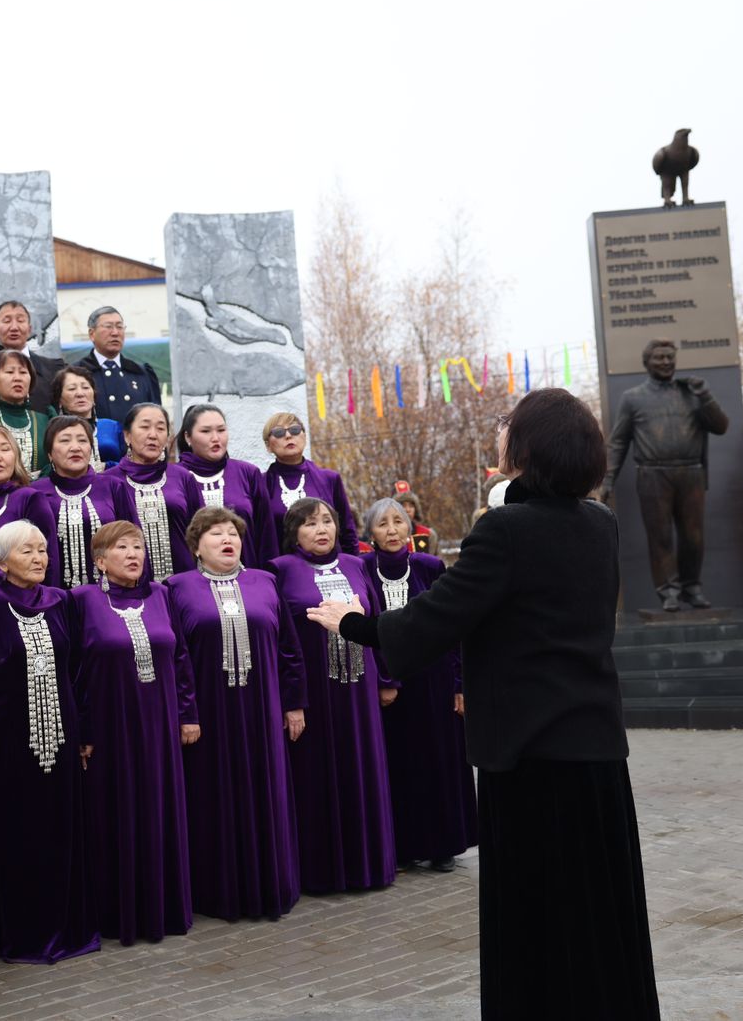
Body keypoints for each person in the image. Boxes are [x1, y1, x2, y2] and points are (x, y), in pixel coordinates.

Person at [310, 388, 659, 1017]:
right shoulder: (598, 522)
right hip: (595, 749)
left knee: (537, 916)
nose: (499, 435)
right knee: (599, 911)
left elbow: (434, 621)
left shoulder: (505, 530)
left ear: (529, 447)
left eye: (509, 427)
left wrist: (353, 622)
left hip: (527, 756)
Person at [165, 507, 306, 921]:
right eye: (215, 535)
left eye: (233, 534)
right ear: (196, 546)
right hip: (209, 715)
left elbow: (290, 650)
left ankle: (272, 885)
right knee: (214, 794)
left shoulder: (264, 581)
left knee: (267, 790)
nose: (227, 540)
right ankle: (218, 892)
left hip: (263, 710)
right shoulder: (177, 588)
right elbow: (178, 658)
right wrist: (185, 712)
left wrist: (294, 703)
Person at [0, 521, 101, 963]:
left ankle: (68, 927)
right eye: (27, 551)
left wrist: (83, 732)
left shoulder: (62, 601)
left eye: (43, 550)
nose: (39, 558)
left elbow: (78, 671)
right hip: (11, 745)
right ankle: (24, 934)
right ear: (3, 561)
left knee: (62, 826)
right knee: (19, 834)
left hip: (62, 740)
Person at [68, 521, 195, 944]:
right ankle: (119, 914)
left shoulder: (162, 595)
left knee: (161, 808)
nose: (133, 554)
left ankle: (166, 909)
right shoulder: (82, 600)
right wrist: (83, 729)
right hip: (110, 726)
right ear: (100, 561)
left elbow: (180, 660)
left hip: (159, 725)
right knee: (116, 811)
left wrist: (187, 714)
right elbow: (76, 673)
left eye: (138, 546)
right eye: (121, 548)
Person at [270, 499, 396, 893]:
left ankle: (370, 866)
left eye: (327, 521)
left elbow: (379, 625)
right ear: (295, 532)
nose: (321, 529)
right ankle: (323, 873)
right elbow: (283, 643)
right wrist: (293, 699)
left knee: (364, 768)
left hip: (359, 691)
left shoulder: (357, 565)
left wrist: (386, 678)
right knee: (317, 774)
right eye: (310, 524)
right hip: (316, 692)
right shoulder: (280, 570)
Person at [359, 497, 477, 873]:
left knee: (438, 761)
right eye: (382, 524)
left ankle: (443, 845)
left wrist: (460, 685)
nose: (392, 530)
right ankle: (405, 845)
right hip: (389, 685)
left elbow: (452, 626)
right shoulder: (362, 569)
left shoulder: (429, 566)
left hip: (435, 680)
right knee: (399, 763)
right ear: (370, 534)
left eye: (398, 522)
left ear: (410, 528)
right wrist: (382, 679)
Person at [602, 337, 731, 611]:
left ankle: (692, 587)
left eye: (670, 357)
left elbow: (720, 427)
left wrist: (705, 396)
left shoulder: (692, 393)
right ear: (646, 362)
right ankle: (668, 591)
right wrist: (608, 479)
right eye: (659, 358)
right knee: (660, 536)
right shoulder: (633, 398)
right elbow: (618, 441)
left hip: (691, 472)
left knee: (693, 536)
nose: (665, 362)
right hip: (652, 474)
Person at [30, 416, 136, 588]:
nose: (75, 447)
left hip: (110, 595)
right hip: (54, 596)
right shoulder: (35, 493)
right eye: (65, 441)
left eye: (82, 440)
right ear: (49, 453)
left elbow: (133, 539)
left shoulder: (113, 486)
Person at [177, 403, 278, 568]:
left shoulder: (248, 473)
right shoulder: (175, 477)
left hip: (248, 578)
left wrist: (268, 579)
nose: (215, 438)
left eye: (221, 430)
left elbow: (266, 535)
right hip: (194, 582)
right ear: (188, 437)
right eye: (205, 431)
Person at [107, 402, 192, 579]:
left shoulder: (183, 477)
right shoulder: (109, 481)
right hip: (129, 582)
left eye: (161, 429)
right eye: (145, 427)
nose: (153, 435)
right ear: (127, 436)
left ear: (168, 437)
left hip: (184, 578)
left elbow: (199, 531)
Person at [263, 412, 360, 555]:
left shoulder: (330, 479)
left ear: (305, 436)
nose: (288, 436)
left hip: (329, 569)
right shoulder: (260, 483)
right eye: (278, 432)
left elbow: (347, 531)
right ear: (268, 446)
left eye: (295, 430)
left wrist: (353, 567)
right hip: (283, 571)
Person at [75, 306, 161, 423]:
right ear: (92, 334)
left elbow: (156, 416)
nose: (115, 333)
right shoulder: (77, 373)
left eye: (120, 327)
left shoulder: (141, 373)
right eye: (108, 327)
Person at [0, 299, 64, 410]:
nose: (14, 327)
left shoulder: (52, 369)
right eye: (6, 321)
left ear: (29, 329)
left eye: (20, 320)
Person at [49, 364, 123, 468]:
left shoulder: (112, 426)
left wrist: (107, 466)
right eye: (72, 389)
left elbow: (130, 463)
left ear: (93, 394)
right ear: (59, 399)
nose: (80, 393)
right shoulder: (53, 432)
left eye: (85, 387)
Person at [393, 484, 440, 555]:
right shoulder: (388, 536)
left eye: (411, 506)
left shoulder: (428, 535)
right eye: (403, 505)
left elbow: (436, 563)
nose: (408, 510)